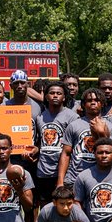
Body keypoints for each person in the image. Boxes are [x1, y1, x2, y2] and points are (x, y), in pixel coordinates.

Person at [33, 80, 78, 212]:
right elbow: (40, 141)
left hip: (64, 171)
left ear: (64, 97)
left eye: (59, 93)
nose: (55, 96)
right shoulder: (40, 117)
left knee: (65, 208)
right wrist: (36, 149)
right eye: (52, 93)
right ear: (46, 96)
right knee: (45, 207)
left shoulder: (72, 117)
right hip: (43, 170)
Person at [56, 88, 111, 185]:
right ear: (84, 104)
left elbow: (110, 153)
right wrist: (60, 182)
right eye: (89, 100)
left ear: (102, 104)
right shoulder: (74, 125)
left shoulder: (111, 127)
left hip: (99, 180)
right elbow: (66, 153)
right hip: (74, 179)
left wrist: (101, 132)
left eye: (97, 100)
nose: (93, 103)